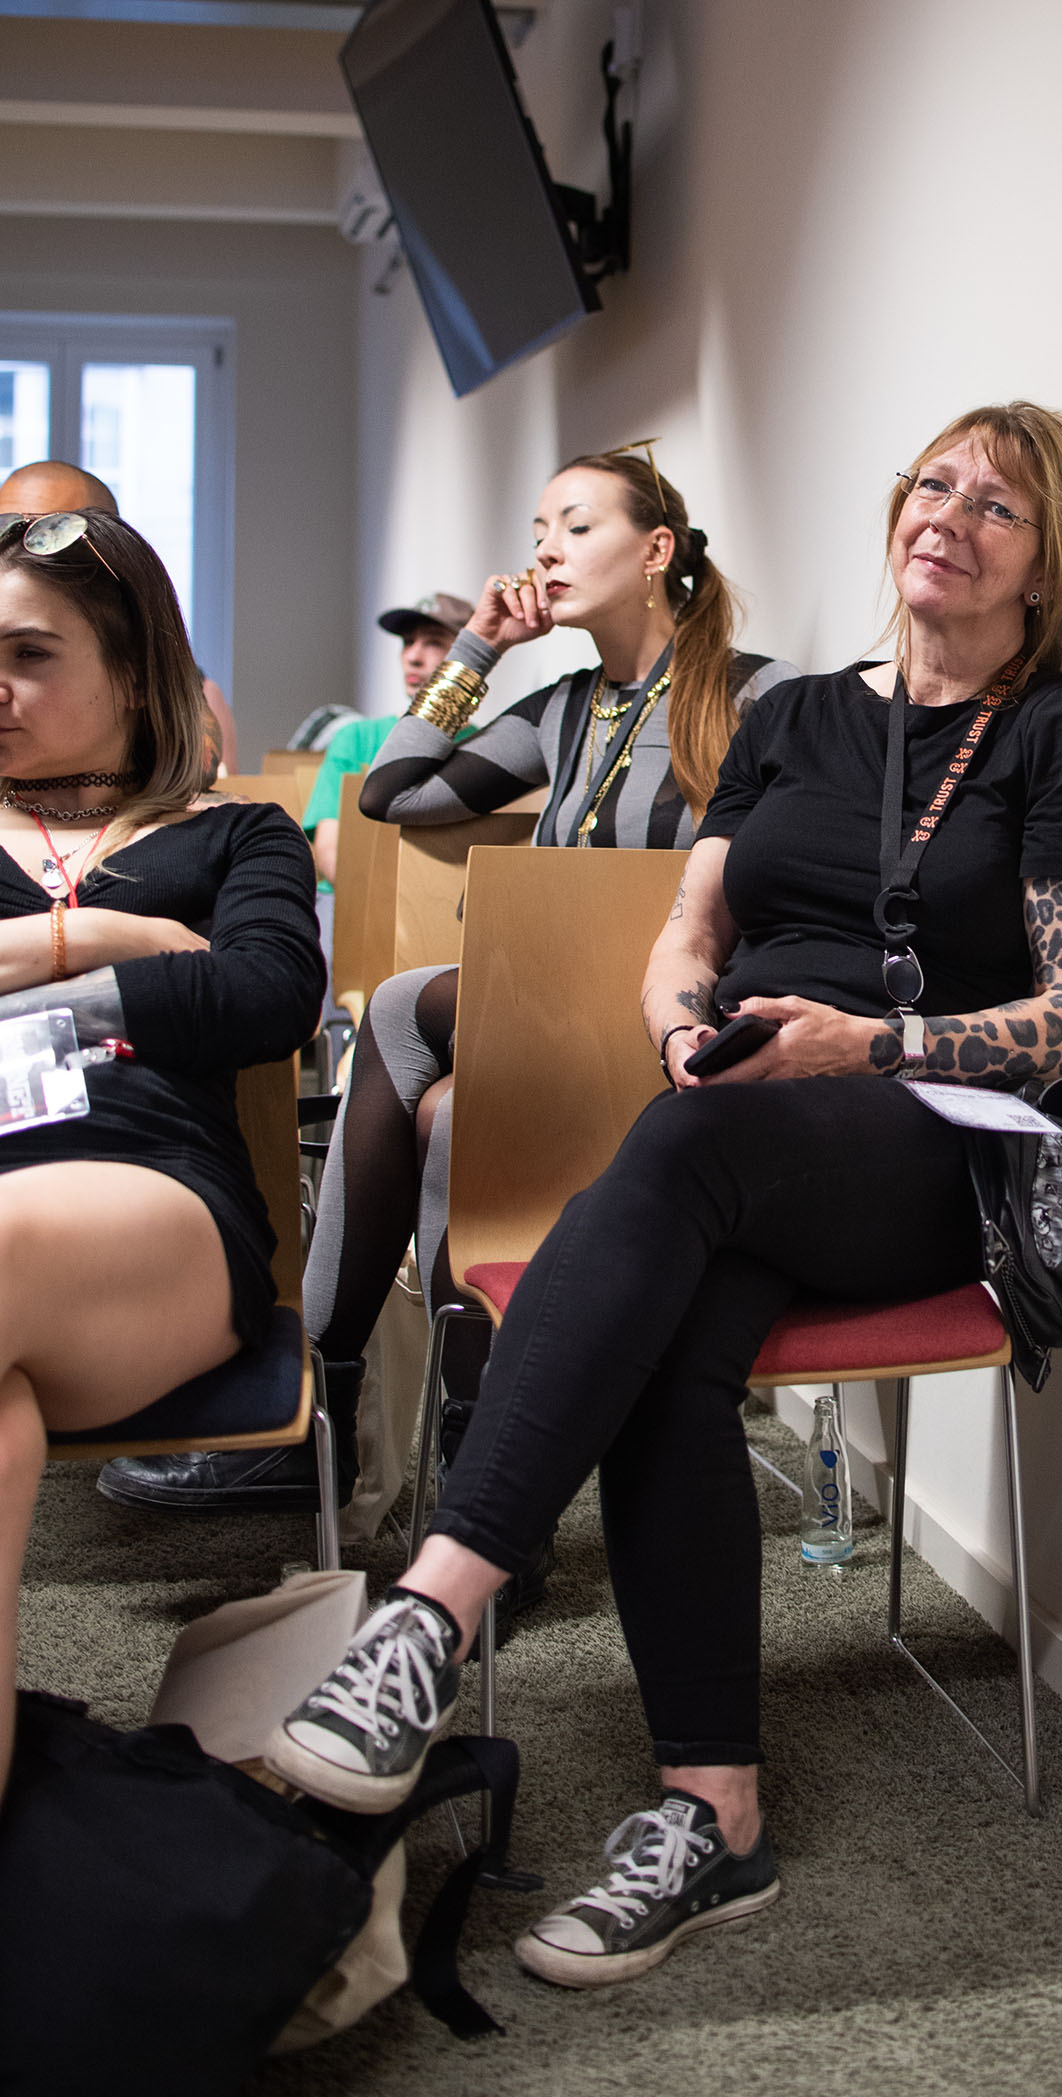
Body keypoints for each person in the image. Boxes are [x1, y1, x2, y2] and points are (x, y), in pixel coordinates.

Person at [261, 402, 1062, 1989]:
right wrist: (681, 1028)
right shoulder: (796, 715)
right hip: (745, 1121)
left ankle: (430, 1613)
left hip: (934, 1133)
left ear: (1045, 567)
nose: (948, 516)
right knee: (676, 1321)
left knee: (677, 1159)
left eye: (997, 507)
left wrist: (863, 1043)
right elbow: (693, 929)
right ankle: (714, 1813)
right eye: (933, 484)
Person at [100, 448, 797, 1532]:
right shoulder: (565, 709)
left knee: (395, 1009)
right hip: (553, 1030)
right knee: (446, 1115)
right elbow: (391, 791)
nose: (545, 553)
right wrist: (481, 646)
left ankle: (313, 1411)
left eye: (574, 527)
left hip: (680, 1035)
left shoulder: (758, 694)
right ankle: (477, 1487)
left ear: (656, 549)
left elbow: (786, 881)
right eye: (537, 534)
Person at [0, 507, 324, 1798]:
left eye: (29, 654)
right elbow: (202, 982)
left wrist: (37, 970)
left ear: (134, 673)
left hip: (154, 1206)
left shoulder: (234, 835)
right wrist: (111, 942)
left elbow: (265, 998)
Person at [0, 460, 239, 769]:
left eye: (52, 532)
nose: (17, 552)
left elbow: (197, 769)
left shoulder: (172, 684)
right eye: (6, 529)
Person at [301, 591, 473, 887]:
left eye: (433, 642)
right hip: (352, 899)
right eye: (408, 642)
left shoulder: (484, 745)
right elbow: (330, 851)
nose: (413, 657)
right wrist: (381, 908)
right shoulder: (357, 738)